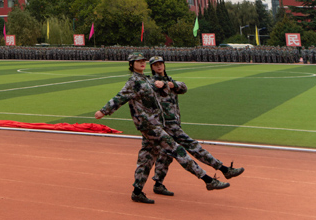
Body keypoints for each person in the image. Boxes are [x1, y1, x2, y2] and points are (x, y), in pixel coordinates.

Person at [95, 53, 230, 204]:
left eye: (142, 61)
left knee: (146, 157)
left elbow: (173, 90)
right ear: (131, 64)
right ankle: (207, 179)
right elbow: (119, 97)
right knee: (177, 149)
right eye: (137, 61)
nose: (141, 63)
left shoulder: (146, 79)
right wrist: (104, 111)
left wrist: (167, 84)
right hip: (149, 124)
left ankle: (137, 191)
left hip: (155, 123)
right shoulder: (133, 82)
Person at [148, 56, 244, 196]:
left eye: (161, 63)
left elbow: (184, 87)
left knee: (165, 155)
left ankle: (158, 183)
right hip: (165, 125)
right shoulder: (152, 82)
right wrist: (161, 85)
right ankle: (223, 170)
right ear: (151, 67)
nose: (159, 66)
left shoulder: (170, 81)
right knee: (193, 146)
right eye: (155, 65)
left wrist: (171, 84)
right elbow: (149, 90)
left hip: (173, 123)